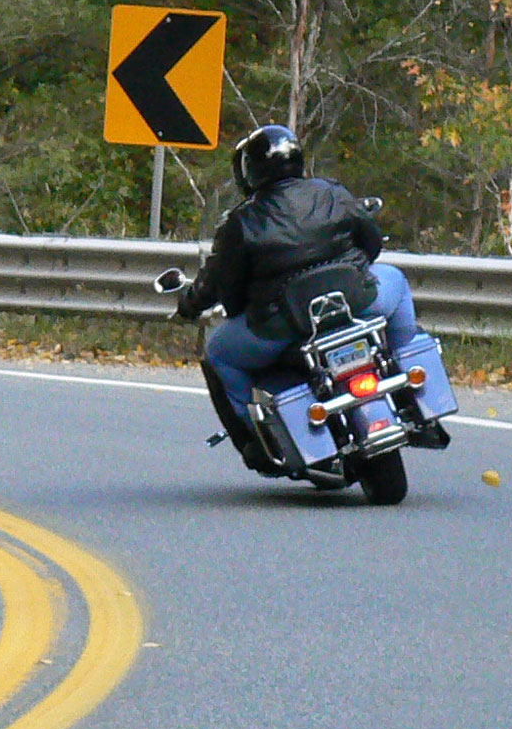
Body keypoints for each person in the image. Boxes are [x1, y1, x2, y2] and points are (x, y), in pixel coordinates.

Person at [175, 124, 419, 471]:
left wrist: (190, 304)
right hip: (354, 300)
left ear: (250, 171)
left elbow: (223, 287)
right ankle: (405, 364)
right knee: (397, 279)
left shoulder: (241, 223)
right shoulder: (331, 192)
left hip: (284, 324)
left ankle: (255, 440)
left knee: (218, 353)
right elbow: (372, 242)